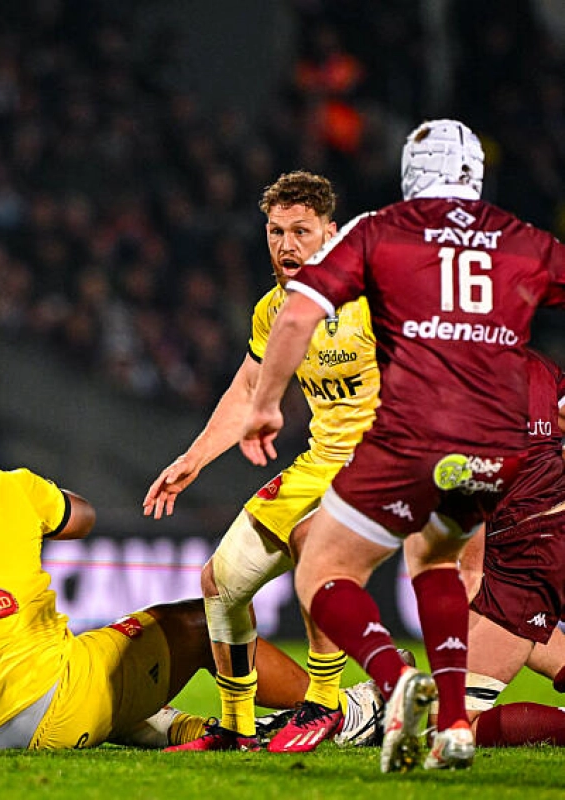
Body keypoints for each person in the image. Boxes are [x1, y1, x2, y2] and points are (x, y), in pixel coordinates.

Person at [240, 119, 565, 772]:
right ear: (477, 175)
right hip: (501, 442)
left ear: (410, 177)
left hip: (417, 432)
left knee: (322, 567)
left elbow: (300, 313)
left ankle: (394, 684)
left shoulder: (381, 229)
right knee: (443, 563)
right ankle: (452, 722)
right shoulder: (522, 240)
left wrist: (266, 403)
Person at [0, 402, 310, 749]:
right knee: (202, 622)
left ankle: (194, 731)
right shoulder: (4, 486)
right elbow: (82, 517)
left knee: (103, 668)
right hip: (56, 699)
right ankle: (326, 709)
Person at [143, 171, 380, 753]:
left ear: (331, 231)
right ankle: (235, 727)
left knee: (310, 539)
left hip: (380, 463)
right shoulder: (274, 310)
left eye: (302, 231)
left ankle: (326, 704)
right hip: (321, 462)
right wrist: (194, 458)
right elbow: (248, 388)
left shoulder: (377, 298)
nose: (286, 245)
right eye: (276, 231)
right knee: (219, 584)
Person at [454, 349, 565, 747]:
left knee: (447, 726)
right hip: (536, 535)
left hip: (527, 550)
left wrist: (472, 565)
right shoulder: (534, 366)